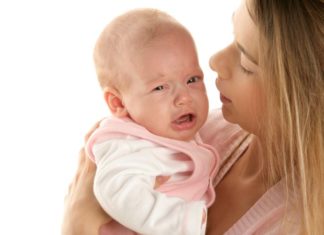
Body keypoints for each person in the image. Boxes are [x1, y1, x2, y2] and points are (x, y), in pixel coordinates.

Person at [62, 0, 324, 234]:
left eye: (245, 62)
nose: (214, 61)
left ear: (304, 96)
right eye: (232, 36)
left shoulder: (299, 221)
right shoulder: (199, 132)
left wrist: (77, 227)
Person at [82, 8, 219, 235]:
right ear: (118, 103)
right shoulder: (128, 143)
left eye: (192, 79)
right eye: (159, 88)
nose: (184, 97)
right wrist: (181, 222)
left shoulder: (171, 132)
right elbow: (115, 188)